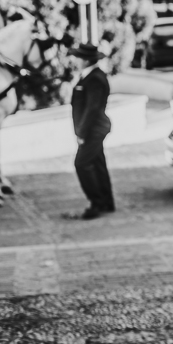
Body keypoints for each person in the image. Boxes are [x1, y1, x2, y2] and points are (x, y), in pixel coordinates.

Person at [69, 42, 115, 220]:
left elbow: (92, 109)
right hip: (93, 128)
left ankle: (96, 203)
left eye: (79, 58)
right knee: (98, 164)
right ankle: (106, 202)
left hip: (93, 129)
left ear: (86, 60)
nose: (76, 61)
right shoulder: (89, 76)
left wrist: (81, 133)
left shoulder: (95, 78)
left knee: (81, 164)